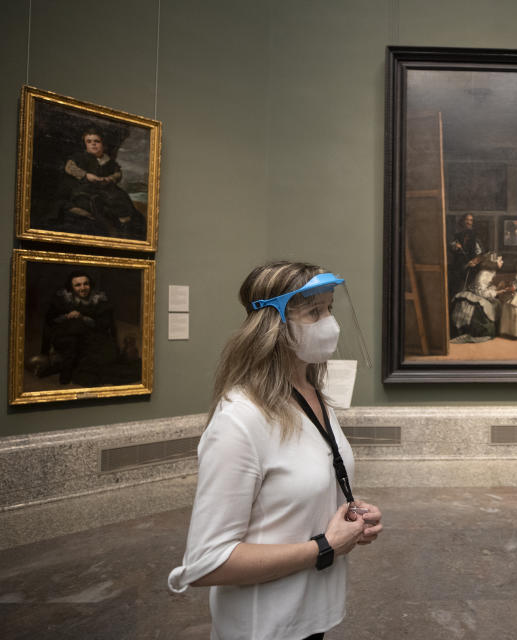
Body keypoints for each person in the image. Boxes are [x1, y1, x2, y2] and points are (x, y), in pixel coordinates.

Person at [168, 261, 383, 640]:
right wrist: (326, 546)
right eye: (314, 312)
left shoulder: (312, 396)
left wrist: (350, 513)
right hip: (263, 627)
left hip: (311, 617)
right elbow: (207, 563)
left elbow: (299, 484)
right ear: (275, 324)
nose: (329, 323)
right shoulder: (240, 419)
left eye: (330, 308)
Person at [56, 128, 146, 239]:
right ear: (85, 145)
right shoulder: (80, 157)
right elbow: (69, 168)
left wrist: (110, 178)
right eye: (89, 142)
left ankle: (124, 222)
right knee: (96, 202)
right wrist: (86, 175)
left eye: (96, 141)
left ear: (103, 144)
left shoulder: (108, 161)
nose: (93, 144)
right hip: (86, 188)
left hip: (106, 188)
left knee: (121, 197)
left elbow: (118, 173)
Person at [41, 270, 121, 385]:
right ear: (71, 287)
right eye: (78, 285)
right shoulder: (63, 299)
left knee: (105, 361)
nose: (83, 288)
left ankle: (67, 367)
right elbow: (49, 322)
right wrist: (67, 317)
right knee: (73, 331)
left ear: (90, 285)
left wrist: (83, 317)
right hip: (67, 337)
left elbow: (106, 324)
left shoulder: (99, 300)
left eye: (86, 284)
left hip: (92, 336)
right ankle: (66, 369)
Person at [450, 252, 506, 341]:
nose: (502, 262)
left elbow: (486, 286)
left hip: (480, 293)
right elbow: (480, 292)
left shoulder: (491, 271)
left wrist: (496, 288)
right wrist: (497, 292)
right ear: (493, 262)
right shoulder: (484, 273)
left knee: (497, 303)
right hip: (475, 295)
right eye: (500, 260)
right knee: (490, 306)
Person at [448, 213, 484, 298]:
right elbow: (451, 250)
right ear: (463, 221)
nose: (468, 222)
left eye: (471, 220)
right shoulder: (457, 236)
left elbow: (481, 254)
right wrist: (455, 247)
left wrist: (474, 262)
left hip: (471, 269)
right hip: (458, 268)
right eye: (467, 220)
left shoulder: (475, 236)